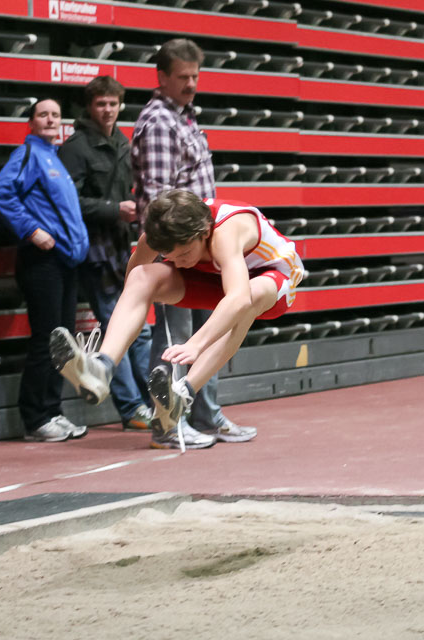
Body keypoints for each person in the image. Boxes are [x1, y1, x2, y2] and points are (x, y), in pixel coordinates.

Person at [51, 190, 304, 449]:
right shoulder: (159, 233)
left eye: (183, 255)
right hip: (217, 278)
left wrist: (195, 344)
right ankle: (102, 368)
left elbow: (237, 298)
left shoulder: (227, 233)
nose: (178, 263)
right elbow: (132, 283)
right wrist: (133, 315)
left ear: (204, 233)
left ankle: (184, 393)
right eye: (170, 256)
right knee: (142, 277)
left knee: (249, 297)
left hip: (272, 279)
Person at [130, 38, 256, 447]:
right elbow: (157, 200)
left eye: (195, 76)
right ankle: (167, 424)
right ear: (161, 77)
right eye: (182, 77)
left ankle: (205, 415)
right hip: (176, 251)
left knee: (211, 329)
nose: (190, 84)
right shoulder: (160, 123)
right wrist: (169, 254)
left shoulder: (185, 117)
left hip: (199, 248)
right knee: (173, 339)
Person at [58, 76, 154, 432]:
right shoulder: (76, 148)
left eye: (113, 103)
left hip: (120, 248)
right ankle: (132, 408)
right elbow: (69, 203)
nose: (108, 110)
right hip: (94, 252)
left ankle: (149, 402)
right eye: (101, 104)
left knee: (137, 331)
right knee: (122, 326)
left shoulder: (123, 143)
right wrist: (115, 209)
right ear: (89, 106)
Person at [0, 99, 90, 442]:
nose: (50, 120)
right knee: (46, 340)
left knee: (62, 344)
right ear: (31, 122)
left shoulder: (54, 159)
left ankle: (53, 411)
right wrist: (32, 231)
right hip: (41, 263)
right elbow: (2, 194)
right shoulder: (28, 156)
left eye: (56, 115)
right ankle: (35, 419)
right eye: (43, 114)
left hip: (65, 262)